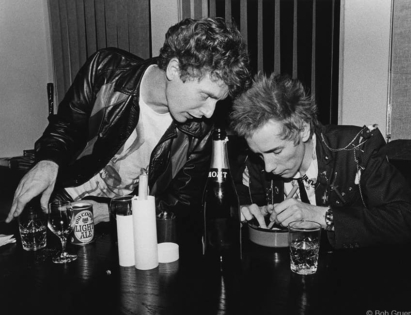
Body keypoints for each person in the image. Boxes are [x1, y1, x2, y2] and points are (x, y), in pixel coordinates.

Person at [6, 17, 252, 236]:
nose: (209, 112)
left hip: (122, 231)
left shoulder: (202, 132)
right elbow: (66, 126)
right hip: (57, 206)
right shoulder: (106, 70)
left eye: (217, 102)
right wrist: (48, 160)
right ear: (175, 69)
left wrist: (110, 211)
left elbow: (180, 205)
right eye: (205, 96)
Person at [230, 73, 411, 249]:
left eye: (276, 151)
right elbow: (243, 205)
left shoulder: (358, 149)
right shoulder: (258, 158)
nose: (268, 167)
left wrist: (321, 216)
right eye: (259, 155)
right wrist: (242, 213)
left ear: (303, 130)